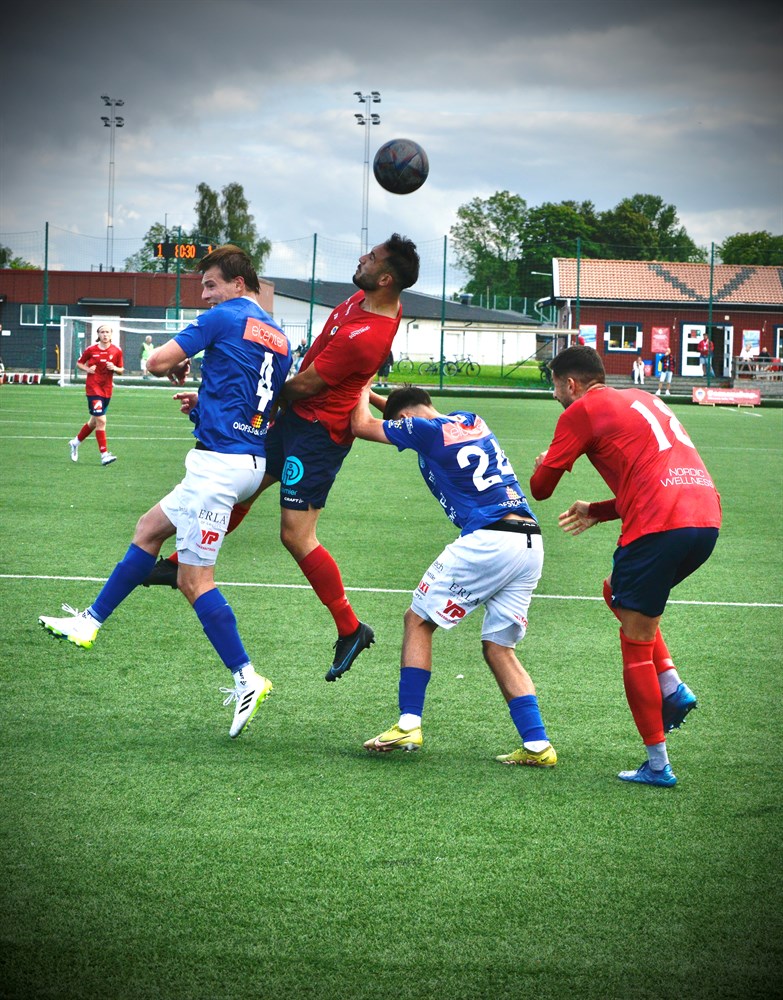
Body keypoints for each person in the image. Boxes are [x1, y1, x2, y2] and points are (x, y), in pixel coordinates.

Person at [39, 245, 293, 739]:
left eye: (211, 285)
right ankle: (90, 621)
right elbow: (262, 398)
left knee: (194, 581)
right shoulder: (279, 335)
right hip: (250, 460)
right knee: (150, 529)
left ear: (239, 284)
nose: (205, 295)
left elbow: (156, 362)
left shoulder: (223, 317)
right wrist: (206, 400)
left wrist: (175, 365)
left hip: (217, 468)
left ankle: (247, 677)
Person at [144, 233, 421, 683]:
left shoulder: (367, 335)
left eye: (371, 258)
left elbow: (307, 384)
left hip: (319, 435)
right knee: (242, 482)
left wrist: (250, 395)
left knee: (295, 535)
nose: (361, 258)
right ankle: (179, 564)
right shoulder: (366, 300)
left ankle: (351, 628)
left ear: (386, 278)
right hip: (296, 417)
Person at [530, 345, 721, 787]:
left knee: (635, 643)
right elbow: (655, 478)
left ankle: (657, 764)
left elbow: (541, 489)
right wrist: (598, 510)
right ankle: (670, 684)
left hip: (659, 527)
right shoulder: (645, 398)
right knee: (615, 590)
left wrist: (544, 464)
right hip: (706, 520)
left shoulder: (580, 410)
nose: (555, 395)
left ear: (571, 384)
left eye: (555, 387)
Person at [350, 384, 556, 766]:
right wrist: (384, 400)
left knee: (417, 620)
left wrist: (359, 383)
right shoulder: (470, 420)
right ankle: (537, 744)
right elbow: (410, 411)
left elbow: (361, 425)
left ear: (404, 420)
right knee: (499, 648)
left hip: (490, 538)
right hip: (529, 542)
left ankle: (409, 723)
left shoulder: (422, 431)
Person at [68, 323, 124, 465]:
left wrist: (115, 368)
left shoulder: (117, 351)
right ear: (98, 334)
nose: (105, 334)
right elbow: (80, 363)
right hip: (93, 389)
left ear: (111, 334)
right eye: (102, 332)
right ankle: (104, 455)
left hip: (107, 390)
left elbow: (121, 370)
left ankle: (75, 442)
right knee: (102, 421)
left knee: (94, 422)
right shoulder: (91, 350)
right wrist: (87, 369)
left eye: (107, 332)